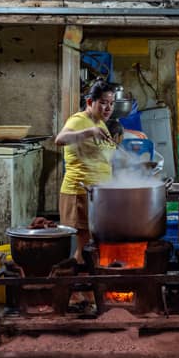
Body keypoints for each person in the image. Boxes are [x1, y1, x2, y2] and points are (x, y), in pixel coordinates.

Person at [55, 80, 116, 262]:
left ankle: (87, 287)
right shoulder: (80, 120)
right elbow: (60, 139)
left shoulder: (101, 124)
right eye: (103, 103)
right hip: (80, 191)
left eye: (111, 104)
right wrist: (89, 132)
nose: (108, 108)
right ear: (90, 102)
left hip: (97, 193)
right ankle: (79, 288)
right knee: (84, 247)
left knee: (92, 246)